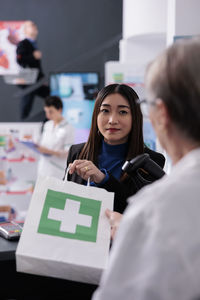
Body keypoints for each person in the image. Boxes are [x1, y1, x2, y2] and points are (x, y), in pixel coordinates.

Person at [92, 38, 200, 300]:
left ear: (161, 113)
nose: (112, 120)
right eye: (105, 111)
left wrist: (131, 224)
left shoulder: (155, 208)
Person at [64, 84, 165, 213]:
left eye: (123, 112)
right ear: (96, 115)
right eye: (105, 111)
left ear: (135, 117)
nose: (112, 120)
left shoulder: (151, 161)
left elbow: (143, 212)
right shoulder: (77, 152)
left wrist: (103, 179)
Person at [16, 20, 50, 120]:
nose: (34, 27)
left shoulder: (33, 43)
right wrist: (33, 56)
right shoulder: (23, 43)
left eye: (35, 25)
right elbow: (20, 60)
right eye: (31, 26)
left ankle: (48, 118)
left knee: (50, 97)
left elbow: (37, 67)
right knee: (27, 102)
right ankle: (22, 123)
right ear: (25, 30)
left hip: (36, 79)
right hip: (28, 80)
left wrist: (42, 79)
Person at [37, 96, 75, 179]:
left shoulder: (68, 128)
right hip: (43, 168)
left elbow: (68, 153)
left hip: (56, 171)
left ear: (59, 110)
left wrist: (50, 152)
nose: (48, 116)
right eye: (46, 112)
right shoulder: (47, 125)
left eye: (51, 112)